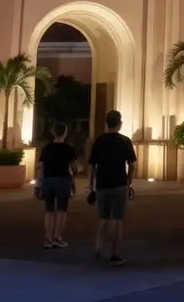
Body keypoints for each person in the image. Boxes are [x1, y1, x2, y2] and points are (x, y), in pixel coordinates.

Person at [87, 110, 137, 266]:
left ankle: (98, 245)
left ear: (106, 124)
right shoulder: (125, 141)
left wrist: (90, 184)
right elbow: (132, 164)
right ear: (120, 124)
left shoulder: (99, 141)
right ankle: (115, 255)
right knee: (117, 220)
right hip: (119, 184)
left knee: (103, 218)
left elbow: (92, 164)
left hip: (102, 185)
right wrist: (129, 181)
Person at [36, 121, 78, 248]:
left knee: (49, 211)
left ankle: (48, 238)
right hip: (63, 181)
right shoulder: (68, 148)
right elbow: (74, 167)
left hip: (48, 181)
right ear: (65, 133)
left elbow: (40, 167)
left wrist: (38, 183)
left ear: (53, 132)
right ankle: (57, 237)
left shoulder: (46, 149)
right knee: (62, 210)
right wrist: (73, 179)